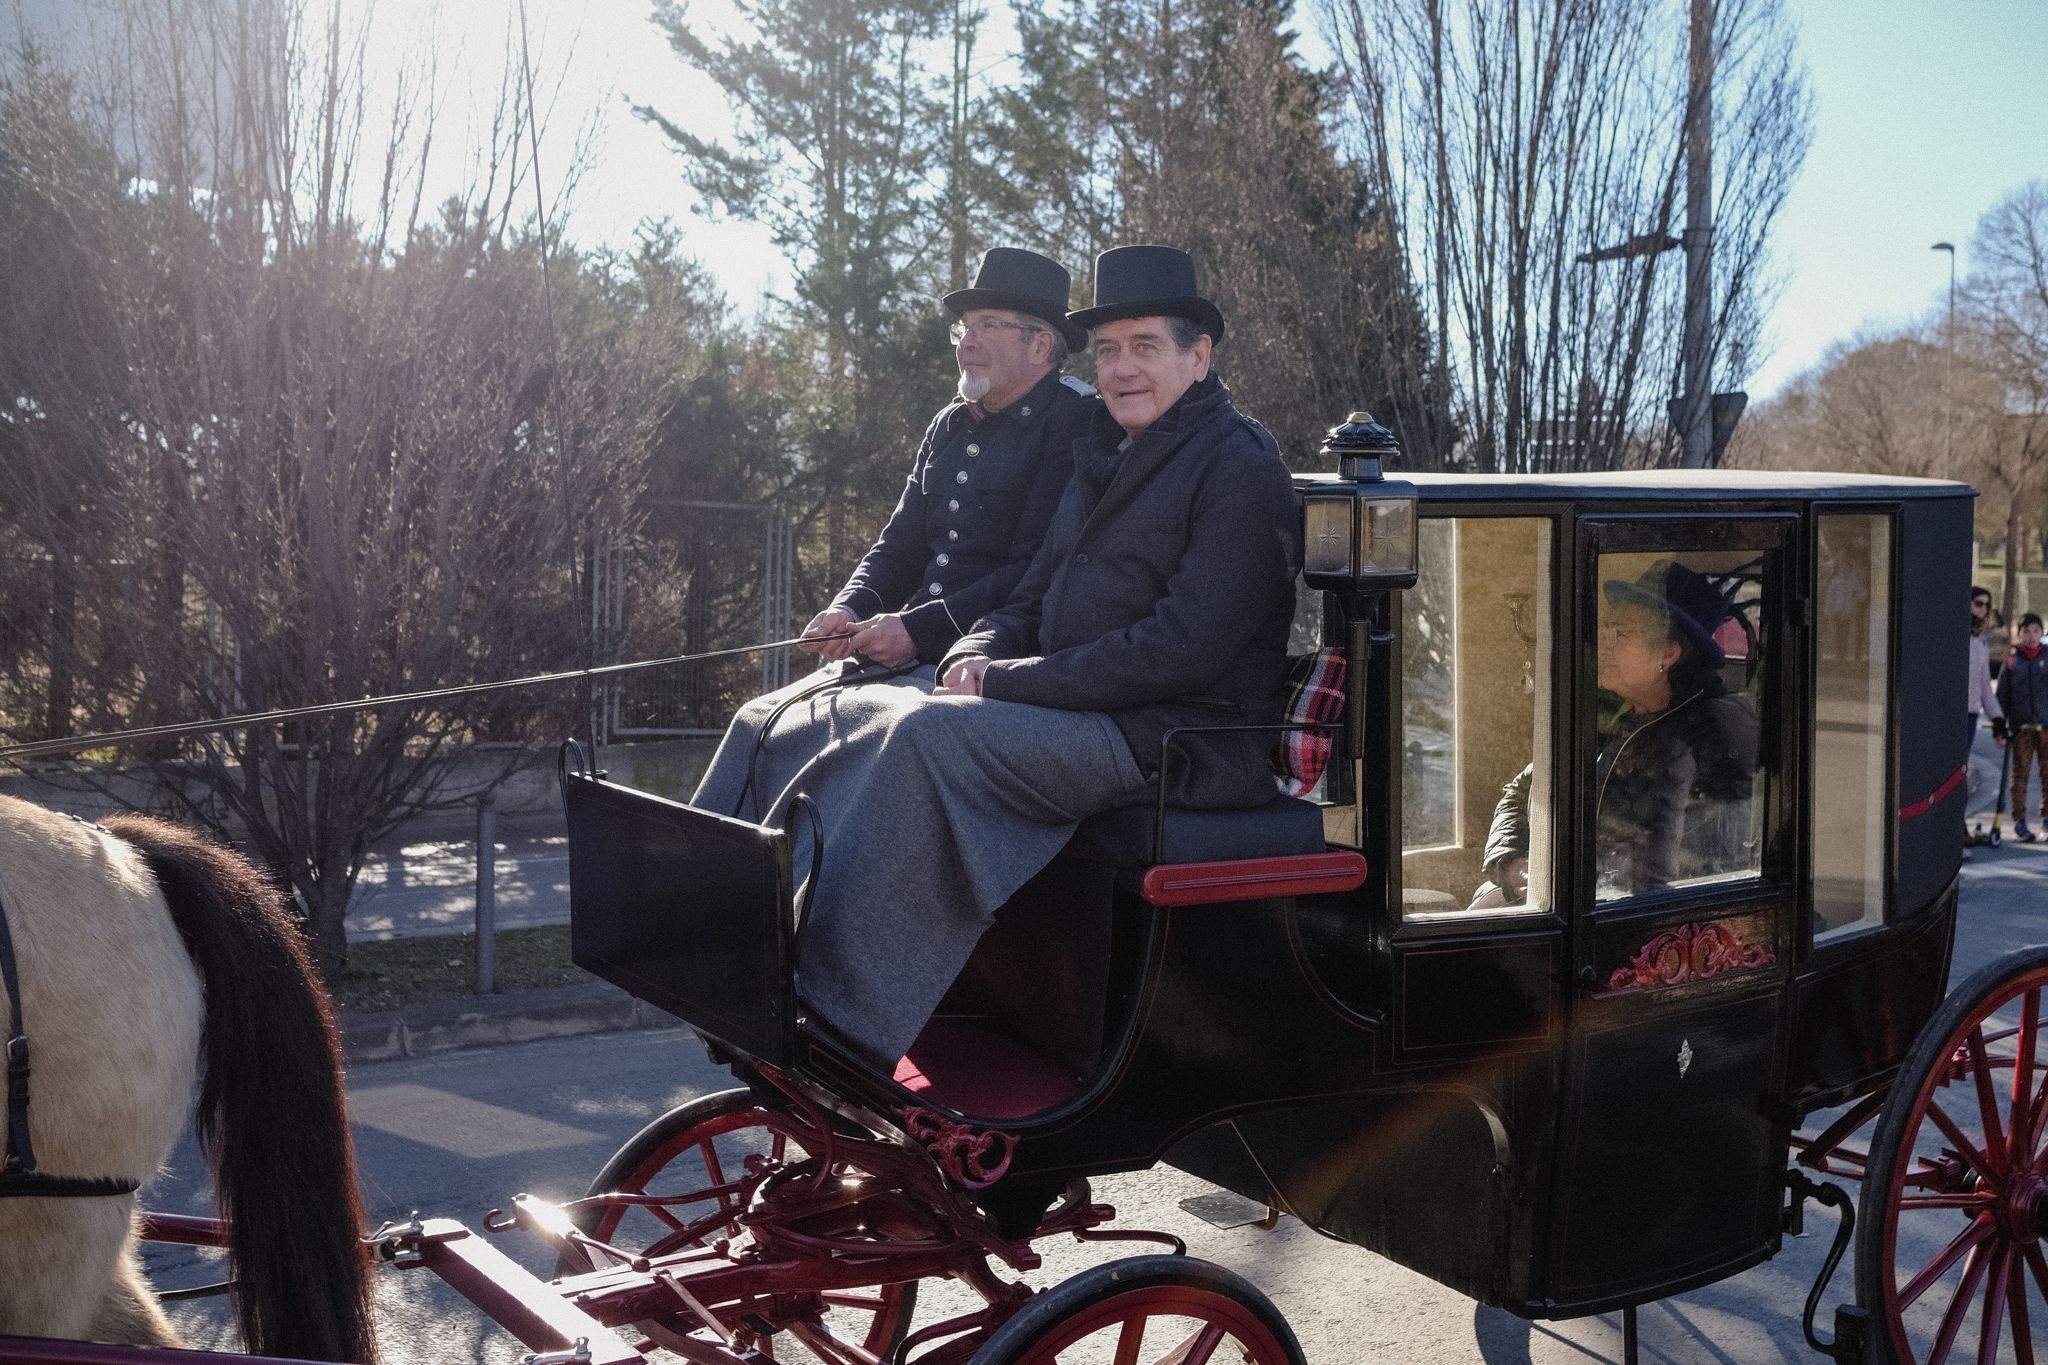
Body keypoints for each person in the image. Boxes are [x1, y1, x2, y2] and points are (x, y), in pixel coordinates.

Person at [696, 244, 1299, 1066]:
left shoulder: (1240, 463)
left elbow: (1181, 650)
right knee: (878, 712)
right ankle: (727, 942)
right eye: (1112, 349)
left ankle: (838, 1019)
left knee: (925, 741)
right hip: (1085, 709)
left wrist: (1006, 680)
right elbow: (1029, 596)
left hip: (1169, 738)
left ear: (1199, 356)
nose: (1122, 369)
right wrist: (970, 652)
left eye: (1145, 347)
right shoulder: (1114, 453)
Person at [693, 247, 1094, 820]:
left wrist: (915, 630)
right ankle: (721, 886)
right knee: (760, 720)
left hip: (985, 663)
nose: (965, 342)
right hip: (911, 649)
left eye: (986, 326)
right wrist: (850, 606)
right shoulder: (949, 423)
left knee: (873, 747)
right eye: (964, 326)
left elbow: (1036, 573)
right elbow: (900, 543)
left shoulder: (1076, 422)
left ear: (1040, 345)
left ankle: (810, 896)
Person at [1478, 560, 1758, 903]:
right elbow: (1524, 789)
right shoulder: (1614, 713)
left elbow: (1668, 874)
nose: (1604, 645)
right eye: (1607, 629)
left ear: (1668, 654)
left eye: (1621, 634)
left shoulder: (1707, 734)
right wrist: (1511, 862)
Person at [1995, 611, 2048, 841]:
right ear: (2020, 633)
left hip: (2046, 726)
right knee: (2020, 776)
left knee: (2047, 774)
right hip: (2021, 728)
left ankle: (2046, 819)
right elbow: (2002, 696)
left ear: (2042, 632)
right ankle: (2020, 821)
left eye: (2036, 630)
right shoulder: (2011, 660)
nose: (2031, 635)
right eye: (2027, 631)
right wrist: (2001, 726)